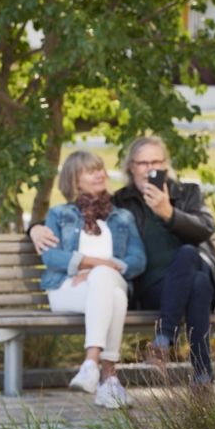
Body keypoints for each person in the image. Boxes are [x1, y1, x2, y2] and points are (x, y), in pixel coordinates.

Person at [29, 136, 215, 387]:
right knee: (198, 283)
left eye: (156, 161)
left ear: (166, 164)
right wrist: (34, 229)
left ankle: (165, 341)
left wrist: (168, 212)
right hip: (152, 289)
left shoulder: (187, 193)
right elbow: (77, 211)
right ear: (130, 167)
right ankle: (202, 374)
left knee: (191, 261)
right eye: (143, 163)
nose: (150, 168)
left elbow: (205, 228)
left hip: (185, 277)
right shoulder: (121, 203)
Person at [39, 150, 145, 408]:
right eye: (90, 171)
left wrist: (102, 271)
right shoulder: (59, 214)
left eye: (100, 168)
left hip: (109, 281)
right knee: (115, 295)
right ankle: (108, 378)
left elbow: (138, 259)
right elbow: (51, 256)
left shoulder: (122, 217)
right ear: (75, 180)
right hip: (67, 289)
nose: (99, 174)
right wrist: (95, 264)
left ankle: (90, 364)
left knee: (107, 283)